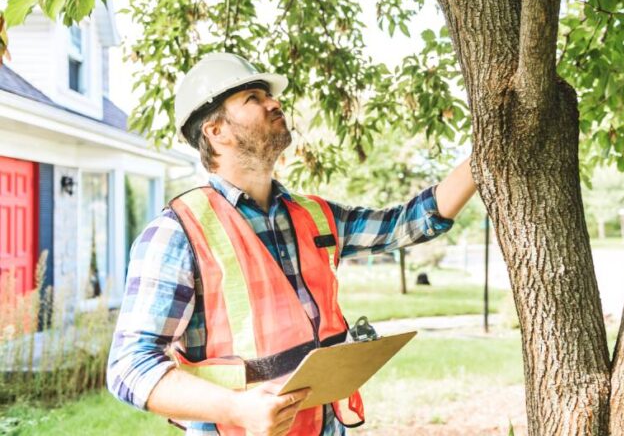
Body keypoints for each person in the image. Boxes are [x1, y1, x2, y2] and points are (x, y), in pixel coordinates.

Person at [106, 52, 477, 436]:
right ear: (216, 131)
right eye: (253, 97)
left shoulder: (314, 216)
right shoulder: (178, 232)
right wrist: (235, 408)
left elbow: (408, 224)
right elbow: (129, 367)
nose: (275, 102)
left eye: (269, 96)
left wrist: (483, 157)